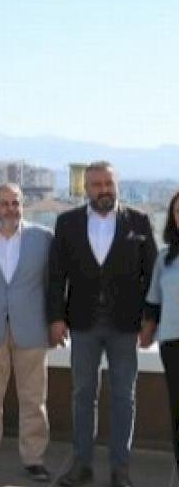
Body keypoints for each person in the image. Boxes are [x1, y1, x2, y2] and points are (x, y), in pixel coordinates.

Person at [49, 162, 157, 487]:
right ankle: (82, 464)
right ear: (86, 188)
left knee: (124, 396)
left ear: (116, 185)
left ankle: (120, 469)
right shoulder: (67, 223)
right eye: (96, 184)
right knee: (83, 395)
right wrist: (55, 318)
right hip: (82, 324)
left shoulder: (138, 221)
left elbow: (152, 275)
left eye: (108, 183)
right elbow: (56, 276)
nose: (103, 189)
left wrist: (150, 320)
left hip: (126, 325)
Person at [0, 183, 54, 482]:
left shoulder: (43, 238)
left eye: (15, 203)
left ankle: (34, 459)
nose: (10, 209)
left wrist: (55, 322)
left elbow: (53, 285)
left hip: (32, 329)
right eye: (4, 203)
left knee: (34, 400)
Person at [143, 190, 179, 475]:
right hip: (172, 345)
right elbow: (154, 302)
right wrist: (146, 333)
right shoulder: (165, 258)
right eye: (178, 212)